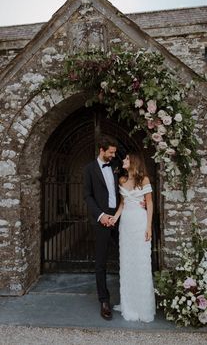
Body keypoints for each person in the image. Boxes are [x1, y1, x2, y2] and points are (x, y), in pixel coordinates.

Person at [111, 152, 156, 322]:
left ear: (133, 162)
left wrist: (148, 227)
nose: (123, 160)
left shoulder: (144, 179)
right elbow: (122, 204)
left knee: (141, 262)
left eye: (126, 159)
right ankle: (128, 304)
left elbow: (149, 203)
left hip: (140, 222)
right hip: (126, 224)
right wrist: (114, 218)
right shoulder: (122, 180)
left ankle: (142, 306)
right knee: (127, 262)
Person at [83, 135, 119, 320]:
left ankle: (129, 296)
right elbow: (88, 196)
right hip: (102, 220)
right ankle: (104, 300)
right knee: (101, 262)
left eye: (114, 152)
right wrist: (101, 216)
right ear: (102, 150)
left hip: (120, 218)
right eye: (110, 152)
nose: (113, 155)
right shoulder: (89, 169)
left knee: (127, 256)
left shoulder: (115, 166)